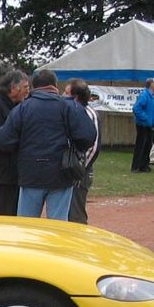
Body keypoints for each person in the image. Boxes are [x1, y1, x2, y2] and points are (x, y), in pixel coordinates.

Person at [0, 68, 96, 221]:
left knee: (26, 226)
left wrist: (21, 147)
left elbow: (4, 140)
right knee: (58, 226)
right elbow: (88, 136)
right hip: (61, 173)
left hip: (30, 173)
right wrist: (74, 148)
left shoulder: (22, 109)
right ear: (55, 86)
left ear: (34, 86)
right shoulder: (68, 107)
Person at [0, 69, 29, 215]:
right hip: (3, 174)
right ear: (13, 88)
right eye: (25, 87)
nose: (28, 92)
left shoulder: (17, 108)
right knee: (3, 213)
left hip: (15, 173)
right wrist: (19, 142)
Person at [65, 79, 100, 224]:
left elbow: (94, 146)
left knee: (75, 214)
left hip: (80, 170)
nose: (62, 96)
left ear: (76, 97)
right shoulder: (69, 111)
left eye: (66, 93)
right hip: (69, 168)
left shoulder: (89, 114)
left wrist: (78, 167)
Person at [131, 78, 154, 172]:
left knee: (147, 145)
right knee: (141, 145)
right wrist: (145, 118)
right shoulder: (145, 95)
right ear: (151, 84)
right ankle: (136, 166)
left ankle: (144, 165)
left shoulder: (151, 95)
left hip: (149, 125)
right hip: (143, 125)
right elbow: (136, 108)